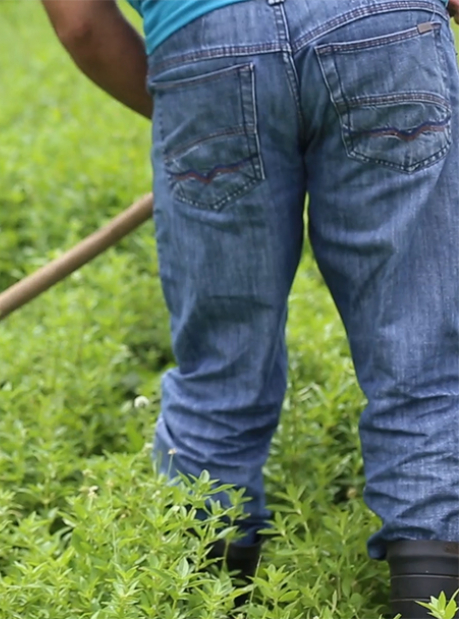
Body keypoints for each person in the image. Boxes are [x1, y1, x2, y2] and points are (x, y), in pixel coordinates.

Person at [39, 0, 459, 617]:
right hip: (380, 27)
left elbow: (79, 22)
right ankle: (434, 600)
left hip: (204, 47)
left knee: (220, 371)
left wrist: (204, 109)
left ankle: (201, 594)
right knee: (423, 361)